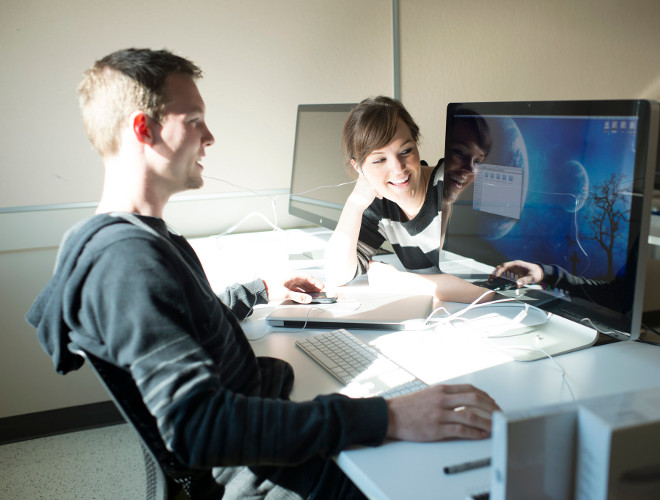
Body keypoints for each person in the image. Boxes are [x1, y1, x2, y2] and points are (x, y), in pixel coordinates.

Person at [26, 49, 500, 499]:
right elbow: (201, 428)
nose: (209, 137)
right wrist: (387, 417)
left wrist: (256, 291)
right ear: (142, 130)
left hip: (270, 425)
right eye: (194, 122)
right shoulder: (128, 264)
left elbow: (186, 322)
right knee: (468, 470)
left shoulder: (137, 239)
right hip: (272, 477)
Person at [324, 96, 492, 303]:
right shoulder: (380, 204)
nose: (398, 169)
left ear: (416, 144)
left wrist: (398, 282)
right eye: (379, 160)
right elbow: (336, 274)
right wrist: (355, 203)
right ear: (358, 167)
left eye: (405, 151)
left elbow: (487, 288)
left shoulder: (454, 187)